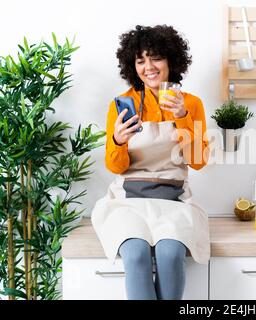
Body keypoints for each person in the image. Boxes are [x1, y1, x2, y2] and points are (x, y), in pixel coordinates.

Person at [91, 25, 210, 300]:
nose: (149, 67)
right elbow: (116, 167)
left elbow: (199, 161)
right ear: (132, 65)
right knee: (135, 255)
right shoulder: (121, 105)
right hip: (127, 200)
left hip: (174, 200)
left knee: (170, 255)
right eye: (140, 60)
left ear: (171, 60)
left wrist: (182, 118)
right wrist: (118, 141)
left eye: (155, 57)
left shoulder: (191, 104)